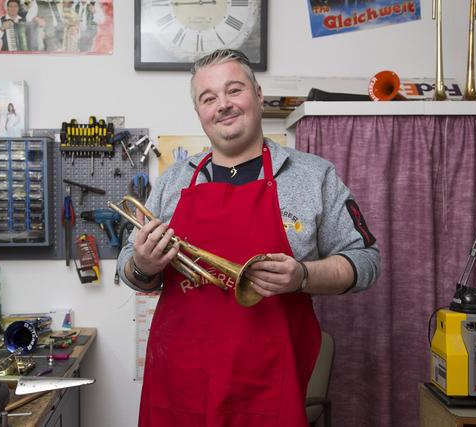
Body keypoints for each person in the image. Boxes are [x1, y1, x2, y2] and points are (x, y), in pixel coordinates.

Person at [116, 49, 381, 426]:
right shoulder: (173, 181)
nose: (222, 105)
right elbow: (129, 272)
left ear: (257, 96)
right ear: (199, 113)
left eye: (234, 90)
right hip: (179, 385)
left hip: (269, 387)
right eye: (208, 98)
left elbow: (367, 262)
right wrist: (142, 264)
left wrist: (302, 276)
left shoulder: (313, 176)